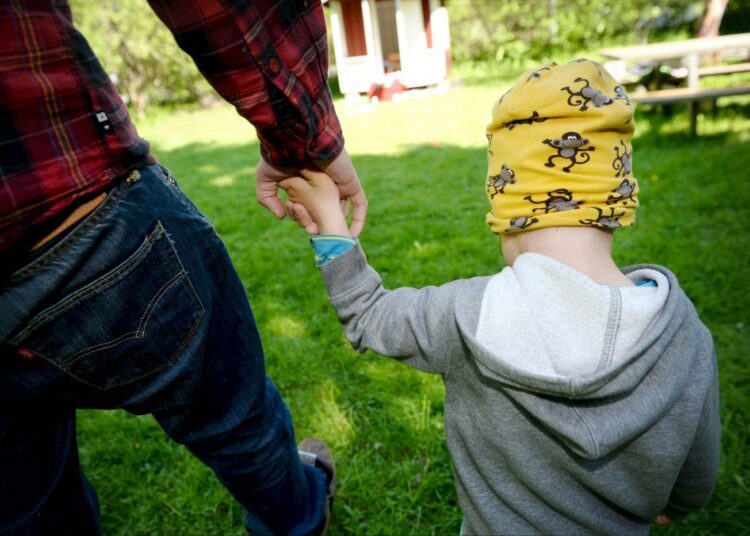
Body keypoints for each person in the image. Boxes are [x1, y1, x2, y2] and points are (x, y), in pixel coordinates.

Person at [279, 60, 721, 535]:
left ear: (506, 203)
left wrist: (330, 218)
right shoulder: (687, 338)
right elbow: (694, 484)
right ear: (617, 200)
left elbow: (368, 314)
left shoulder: (465, 319)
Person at [0, 1, 364, 534]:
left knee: (21, 498)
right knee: (234, 417)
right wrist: (303, 141)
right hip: (78, 216)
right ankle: (298, 516)